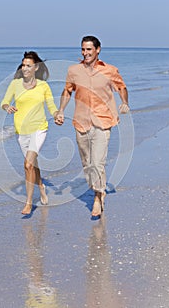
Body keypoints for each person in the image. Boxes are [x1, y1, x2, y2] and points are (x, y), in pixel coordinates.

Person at [55, 36, 130, 217]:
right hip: (81, 122)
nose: (85, 53)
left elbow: (121, 87)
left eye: (89, 49)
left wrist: (124, 103)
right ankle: (99, 188)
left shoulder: (110, 70)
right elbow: (67, 91)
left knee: (98, 162)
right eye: (83, 49)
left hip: (103, 121)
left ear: (98, 50)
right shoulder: (74, 70)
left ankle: (98, 196)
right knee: (87, 164)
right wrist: (61, 110)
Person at [1, 51, 58, 215]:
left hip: (39, 129)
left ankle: (28, 203)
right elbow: (4, 102)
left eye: (28, 66)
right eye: (23, 65)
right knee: (32, 164)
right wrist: (7, 107)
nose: (25, 68)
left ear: (36, 67)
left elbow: (51, 106)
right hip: (21, 131)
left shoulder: (43, 86)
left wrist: (56, 115)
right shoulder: (15, 84)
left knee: (27, 165)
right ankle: (41, 187)